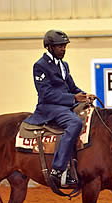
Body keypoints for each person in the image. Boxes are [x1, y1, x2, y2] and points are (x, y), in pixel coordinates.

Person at [24, 29, 95, 187]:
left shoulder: (64, 65)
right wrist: (73, 98)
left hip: (65, 104)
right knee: (74, 123)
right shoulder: (40, 66)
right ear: (49, 47)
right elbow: (46, 94)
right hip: (49, 108)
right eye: (59, 46)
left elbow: (72, 87)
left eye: (64, 46)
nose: (63, 49)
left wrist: (84, 95)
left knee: (92, 115)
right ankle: (58, 169)